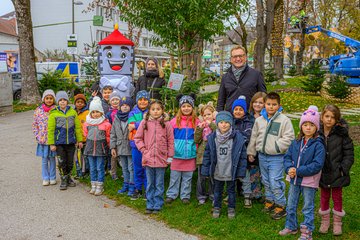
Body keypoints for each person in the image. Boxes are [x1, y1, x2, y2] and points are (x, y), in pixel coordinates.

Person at [279, 106, 325, 239]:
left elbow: (317, 165)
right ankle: (291, 226)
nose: (308, 127)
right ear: (301, 126)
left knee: (307, 206)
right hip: (293, 179)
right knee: (291, 204)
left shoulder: (318, 144)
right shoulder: (296, 142)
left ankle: (307, 232)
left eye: (312, 124)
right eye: (305, 124)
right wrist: (289, 169)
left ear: (316, 127)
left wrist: (298, 170)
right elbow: (287, 157)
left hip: (309, 181)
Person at [247, 92, 295, 220]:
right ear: (265, 105)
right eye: (268, 104)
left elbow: (289, 138)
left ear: (279, 105)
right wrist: (251, 152)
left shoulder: (284, 120)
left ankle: (281, 204)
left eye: (274, 105)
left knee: (275, 180)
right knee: (266, 181)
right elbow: (254, 137)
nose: (271, 107)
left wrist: (276, 146)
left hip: (277, 157)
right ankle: (270, 201)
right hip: (262, 156)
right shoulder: (259, 120)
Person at [201, 111, 247, 219]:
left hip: (231, 170)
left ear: (231, 123)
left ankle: (231, 208)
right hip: (218, 170)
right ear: (217, 124)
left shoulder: (237, 138)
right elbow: (207, 155)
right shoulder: (212, 138)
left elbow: (242, 156)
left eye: (226, 122)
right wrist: (205, 170)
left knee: (231, 190)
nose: (224, 124)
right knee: (217, 190)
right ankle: (217, 207)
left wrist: (241, 172)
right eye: (221, 122)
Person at [318, 105, 354, 236]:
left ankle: (337, 222)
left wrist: (343, 169)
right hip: (323, 172)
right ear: (322, 117)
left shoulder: (342, 135)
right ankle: (325, 221)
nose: (329, 120)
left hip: (338, 172)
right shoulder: (317, 133)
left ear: (337, 120)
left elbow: (349, 153)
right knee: (324, 196)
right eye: (327, 116)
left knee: (337, 197)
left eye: (333, 117)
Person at [134, 100, 174, 214]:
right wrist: (144, 151)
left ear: (162, 110)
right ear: (149, 111)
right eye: (153, 109)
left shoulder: (166, 124)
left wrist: (170, 156)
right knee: (150, 183)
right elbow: (137, 138)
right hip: (148, 158)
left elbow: (171, 140)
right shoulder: (144, 122)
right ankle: (149, 203)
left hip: (161, 158)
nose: (155, 111)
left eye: (158, 109)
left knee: (159, 183)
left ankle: (158, 204)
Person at [166, 94, 199, 204]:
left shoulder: (196, 121)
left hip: (190, 154)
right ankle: (172, 194)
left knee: (187, 177)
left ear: (192, 107)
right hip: (176, 154)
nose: (186, 108)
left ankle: (185, 195)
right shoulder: (174, 122)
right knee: (174, 177)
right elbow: (169, 137)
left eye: (188, 106)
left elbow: (199, 137)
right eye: (183, 106)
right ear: (180, 108)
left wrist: (195, 148)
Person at [48, 91, 83, 190]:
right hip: (59, 143)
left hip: (71, 142)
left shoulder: (73, 112)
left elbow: (77, 127)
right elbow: (50, 130)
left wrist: (79, 140)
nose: (62, 102)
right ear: (57, 102)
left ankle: (68, 178)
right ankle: (63, 179)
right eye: (60, 100)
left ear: (67, 101)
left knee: (70, 162)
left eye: (64, 100)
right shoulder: (53, 114)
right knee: (61, 161)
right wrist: (51, 143)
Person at [216, 45, 266, 112]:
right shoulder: (225, 77)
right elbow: (221, 100)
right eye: (235, 57)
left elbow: (264, 96)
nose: (238, 59)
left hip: (250, 116)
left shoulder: (256, 75)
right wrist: (220, 115)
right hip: (231, 117)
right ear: (231, 59)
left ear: (245, 57)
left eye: (241, 56)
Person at [83, 97, 112, 196]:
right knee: (92, 167)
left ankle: (100, 185)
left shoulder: (106, 124)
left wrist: (109, 146)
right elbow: (85, 134)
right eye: (93, 112)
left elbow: (108, 136)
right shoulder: (87, 124)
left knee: (100, 167)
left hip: (101, 149)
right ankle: (93, 185)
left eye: (97, 112)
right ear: (90, 113)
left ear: (101, 112)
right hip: (90, 149)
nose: (95, 114)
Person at [231, 96, 254, 208]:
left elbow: (247, 136)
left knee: (245, 176)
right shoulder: (230, 122)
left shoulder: (248, 123)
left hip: (243, 154)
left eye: (241, 109)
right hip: (231, 155)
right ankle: (231, 193)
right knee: (231, 174)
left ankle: (247, 196)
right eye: (236, 109)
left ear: (244, 111)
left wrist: (234, 137)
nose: (238, 111)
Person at [110, 96, 135, 196]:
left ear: (130, 107)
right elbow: (113, 133)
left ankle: (132, 186)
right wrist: (113, 147)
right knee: (124, 167)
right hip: (120, 146)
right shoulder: (116, 118)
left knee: (131, 168)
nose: (124, 107)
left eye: (127, 105)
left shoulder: (132, 117)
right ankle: (126, 184)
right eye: (122, 105)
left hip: (130, 146)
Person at [128, 90, 150, 199]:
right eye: (140, 100)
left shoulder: (150, 112)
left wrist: (137, 125)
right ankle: (137, 188)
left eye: (145, 100)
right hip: (135, 144)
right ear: (137, 101)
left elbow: (151, 123)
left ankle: (147, 189)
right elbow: (130, 125)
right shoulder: (132, 112)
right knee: (137, 167)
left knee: (146, 167)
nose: (142, 102)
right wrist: (143, 123)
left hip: (148, 144)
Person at [32, 89, 57, 186]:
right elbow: (35, 124)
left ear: (53, 100)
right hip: (42, 140)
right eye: (47, 98)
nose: (49, 100)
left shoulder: (56, 109)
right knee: (44, 159)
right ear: (44, 99)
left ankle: (53, 177)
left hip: (52, 140)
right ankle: (45, 178)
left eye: (51, 98)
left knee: (52, 159)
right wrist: (37, 135)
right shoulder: (38, 110)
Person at [194, 102, 217, 205]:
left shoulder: (216, 124)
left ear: (213, 114)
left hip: (213, 155)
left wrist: (211, 124)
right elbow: (196, 140)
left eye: (209, 114)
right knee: (201, 176)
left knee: (212, 176)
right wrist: (199, 129)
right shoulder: (201, 126)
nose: (207, 117)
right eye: (204, 115)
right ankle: (201, 195)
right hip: (202, 155)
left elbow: (217, 133)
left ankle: (213, 195)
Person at [248, 92, 267, 202]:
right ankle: (256, 192)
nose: (257, 105)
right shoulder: (249, 116)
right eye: (255, 102)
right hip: (251, 146)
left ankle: (266, 191)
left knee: (264, 172)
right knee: (253, 170)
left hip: (264, 147)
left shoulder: (266, 117)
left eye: (261, 102)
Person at [74, 93, 89, 178]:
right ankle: (78, 171)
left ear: (85, 103)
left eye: (82, 102)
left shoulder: (87, 113)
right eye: (78, 102)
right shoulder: (73, 112)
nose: (79, 103)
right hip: (76, 139)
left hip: (84, 139)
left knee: (85, 156)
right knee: (76, 156)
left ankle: (85, 171)